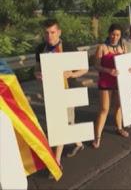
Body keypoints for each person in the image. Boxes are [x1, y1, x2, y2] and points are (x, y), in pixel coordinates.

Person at [34, 19, 87, 178]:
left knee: (61, 126)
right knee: (66, 124)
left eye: (52, 32)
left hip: (68, 91)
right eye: (46, 32)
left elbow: (84, 68)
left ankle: (56, 162)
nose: (49, 36)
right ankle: (78, 144)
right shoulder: (40, 49)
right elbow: (36, 71)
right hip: (50, 92)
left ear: (59, 32)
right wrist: (38, 76)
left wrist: (71, 73)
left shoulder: (69, 47)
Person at [92, 24, 129, 149]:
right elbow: (96, 66)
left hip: (119, 82)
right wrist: (109, 71)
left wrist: (129, 70)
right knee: (104, 109)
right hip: (106, 82)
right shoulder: (102, 47)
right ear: (109, 33)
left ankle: (119, 128)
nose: (115, 37)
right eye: (113, 34)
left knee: (118, 106)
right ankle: (97, 136)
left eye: (118, 35)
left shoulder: (123, 47)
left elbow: (127, 63)